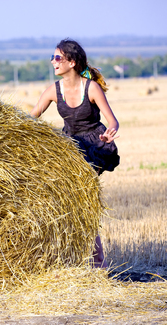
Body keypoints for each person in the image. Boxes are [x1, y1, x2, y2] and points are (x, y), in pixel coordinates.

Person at [30, 39, 120, 268]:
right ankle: (81, 257)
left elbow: (113, 121)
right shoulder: (53, 91)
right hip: (70, 147)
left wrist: (109, 134)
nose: (53, 62)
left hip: (94, 146)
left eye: (58, 58)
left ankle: (97, 260)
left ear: (72, 62)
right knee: (71, 203)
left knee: (83, 200)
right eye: (52, 57)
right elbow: (30, 120)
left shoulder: (91, 87)